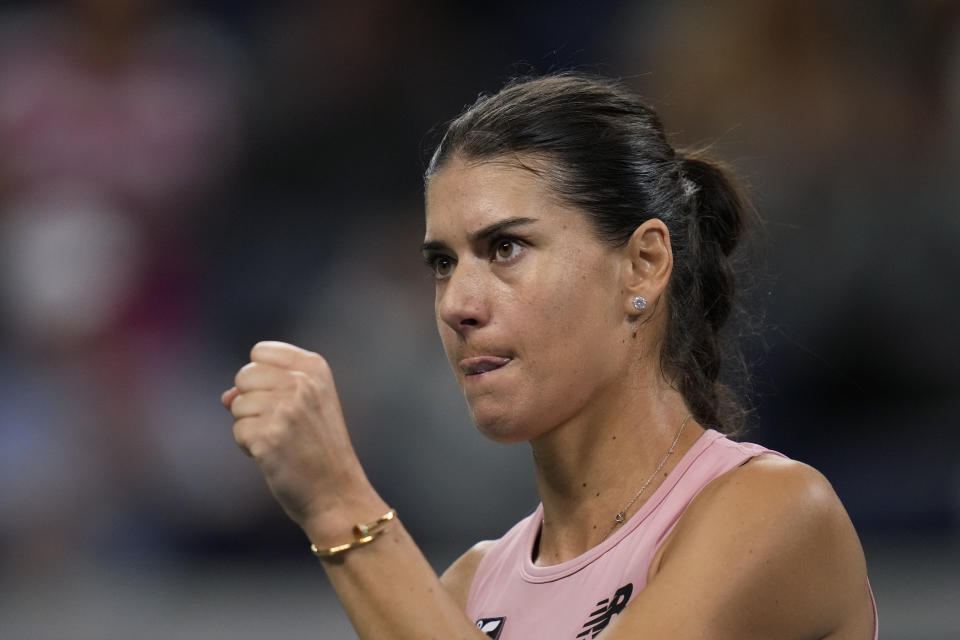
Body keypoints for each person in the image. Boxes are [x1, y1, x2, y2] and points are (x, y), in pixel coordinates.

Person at [221, 73, 877, 639]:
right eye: (443, 263)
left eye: (505, 248)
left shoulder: (775, 512)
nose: (456, 304)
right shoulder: (466, 591)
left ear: (643, 266)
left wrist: (339, 503)